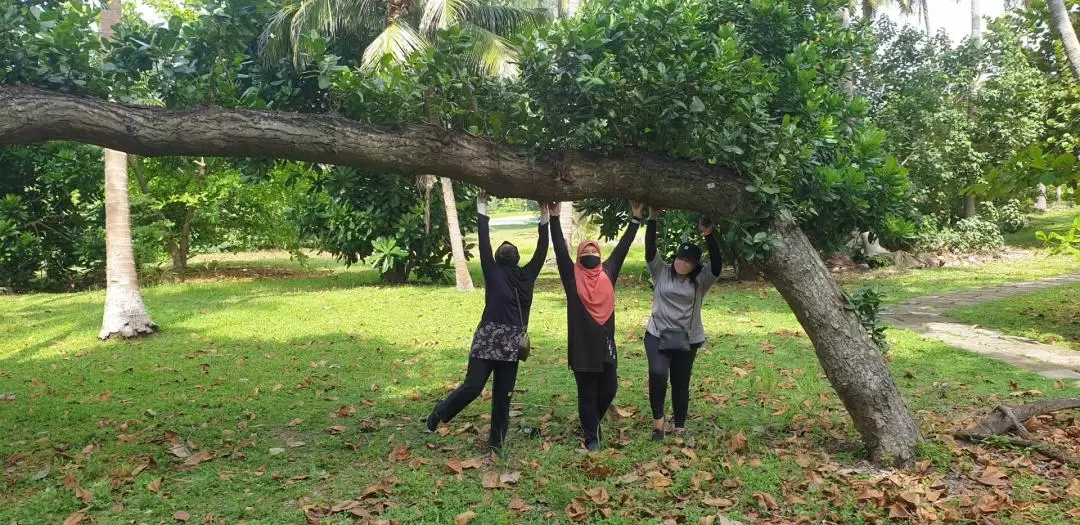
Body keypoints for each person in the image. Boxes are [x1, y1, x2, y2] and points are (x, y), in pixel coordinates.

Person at [425, 194, 550, 457]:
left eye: (510, 246)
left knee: (503, 396)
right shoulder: (493, 272)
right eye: (503, 246)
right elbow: (483, 242)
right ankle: (441, 411)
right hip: (487, 340)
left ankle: (497, 443)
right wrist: (481, 206)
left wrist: (545, 214)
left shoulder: (527, 276)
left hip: (512, 345)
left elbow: (542, 248)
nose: (506, 247)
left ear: (516, 256)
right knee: (472, 387)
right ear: (497, 256)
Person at [549, 201, 643, 451]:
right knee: (587, 394)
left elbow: (622, 248)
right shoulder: (572, 276)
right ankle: (591, 436)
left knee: (609, 389)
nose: (590, 255)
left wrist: (635, 219)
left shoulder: (608, 272)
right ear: (579, 257)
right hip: (582, 348)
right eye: (585, 253)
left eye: (594, 252)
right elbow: (559, 249)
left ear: (600, 256)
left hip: (605, 347)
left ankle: (591, 422)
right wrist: (554, 217)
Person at [643, 209, 722, 444]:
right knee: (658, 373)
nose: (682, 263)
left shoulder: (701, 280)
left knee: (680, 381)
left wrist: (709, 235)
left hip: (687, 338)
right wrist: (652, 219)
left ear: (695, 264)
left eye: (688, 261)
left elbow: (717, 265)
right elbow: (649, 250)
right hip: (657, 333)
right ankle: (659, 424)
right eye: (680, 258)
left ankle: (679, 427)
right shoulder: (661, 272)